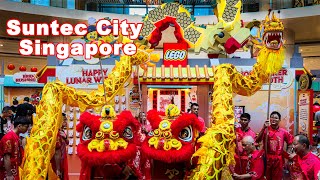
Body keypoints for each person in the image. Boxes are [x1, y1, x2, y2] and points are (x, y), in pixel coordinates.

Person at [255, 111, 294, 180]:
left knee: (277, 178)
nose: (273, 119)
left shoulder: (283, 132)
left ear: (279, 120)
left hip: (278, 160)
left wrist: (288, 153)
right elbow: (257, 140)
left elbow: (291, 142)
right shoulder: (266, 130)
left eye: (276, 118)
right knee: (266, 177)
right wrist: (263, 128)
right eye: (272, 117)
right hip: (267, 158)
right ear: (269, 119)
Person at [50, 113, 69, 180]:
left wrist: (65, 137)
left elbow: (67, 142)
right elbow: (56, 152)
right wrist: (58, 168)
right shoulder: (56, 133)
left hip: (63, 158)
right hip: (57, 161)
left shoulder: (62, 131)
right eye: (64, 120)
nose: (66, 122)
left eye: (66, 120)